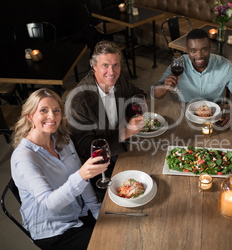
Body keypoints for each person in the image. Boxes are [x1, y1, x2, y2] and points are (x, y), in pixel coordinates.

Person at [11, 88, 108, 250]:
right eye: (43, 110)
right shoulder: (24, 158)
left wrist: (96, 210)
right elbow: (50, 204)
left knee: (122, 221)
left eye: (56, 110)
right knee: (112, 241)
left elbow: (82, 184)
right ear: (29, 116)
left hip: (78, 212)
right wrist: (81, 176)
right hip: (53, 231)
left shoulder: (63, 140)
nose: (52, 116)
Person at [65, 40, 145, 192]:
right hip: (100, 169)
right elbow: (85, 149)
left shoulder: (118, 80)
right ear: (93, 66)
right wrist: (124, 133)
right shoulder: (78, 101)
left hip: (125, 146)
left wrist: (130, 117)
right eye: (105, 66)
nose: (112, 71)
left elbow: (138, 94)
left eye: (116, 65)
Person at [152, 29, 232, 126]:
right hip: (184, 117)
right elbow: (154, 93)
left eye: (204, 49)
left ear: (210, 47)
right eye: (193, 51)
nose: (199, 56)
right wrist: (165, 87)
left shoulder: (225, 66)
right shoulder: (178, 64)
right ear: (187, 49)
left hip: (215, 118)